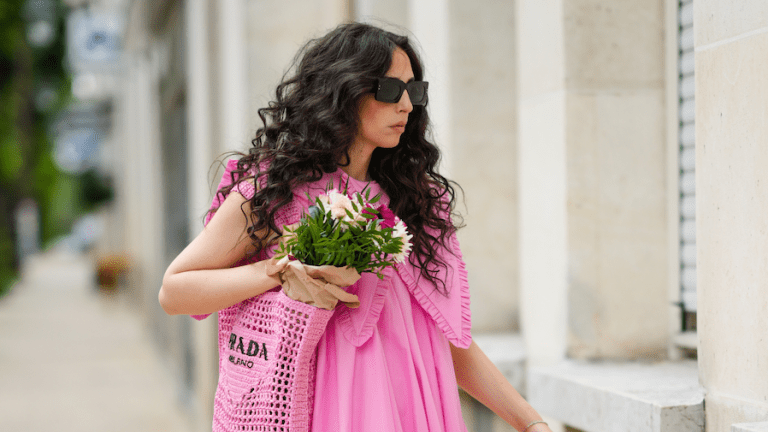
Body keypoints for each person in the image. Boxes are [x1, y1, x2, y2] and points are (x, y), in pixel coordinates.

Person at [159, 22, 553, 432]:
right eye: (389, 90)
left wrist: (530, 423)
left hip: (414, 409)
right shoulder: (275, 189)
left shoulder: (412, 201)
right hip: (320, 409)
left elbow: (445, 342)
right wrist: (274, 271)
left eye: (414, 92)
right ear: (343, 90)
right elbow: (175, 291)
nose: (406, 106)